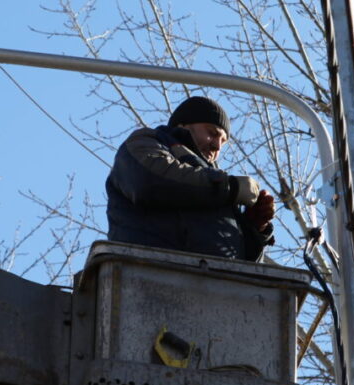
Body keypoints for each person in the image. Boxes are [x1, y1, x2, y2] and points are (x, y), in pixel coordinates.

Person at [105, 96, 276, 261]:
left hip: (212, 285)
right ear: (183, 125)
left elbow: (244, 264)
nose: (217, 146)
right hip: (150, 271)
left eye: (222, 142)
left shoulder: (216, 189)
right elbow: (149, 180)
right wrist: (230, 187)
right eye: (212, 133)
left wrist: (254, 227)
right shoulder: (146, 142)